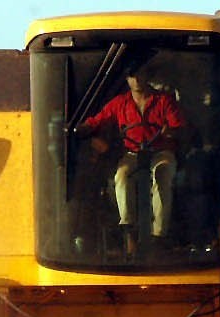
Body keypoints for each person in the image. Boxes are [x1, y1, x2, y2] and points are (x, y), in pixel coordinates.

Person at [75, 71, 188, 256]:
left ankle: (159, 235)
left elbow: (178, 127)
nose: (136, 80)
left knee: (163, 172)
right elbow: (99, 119)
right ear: (127, 79)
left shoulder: (164, 101)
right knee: (121, 175)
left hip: (160, 151)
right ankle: (129, 232)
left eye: (140, 75)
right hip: (133, 153)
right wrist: (84, 128)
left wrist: (170, 132)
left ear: (146, 76)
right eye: (131, 76)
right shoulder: (120, 103)